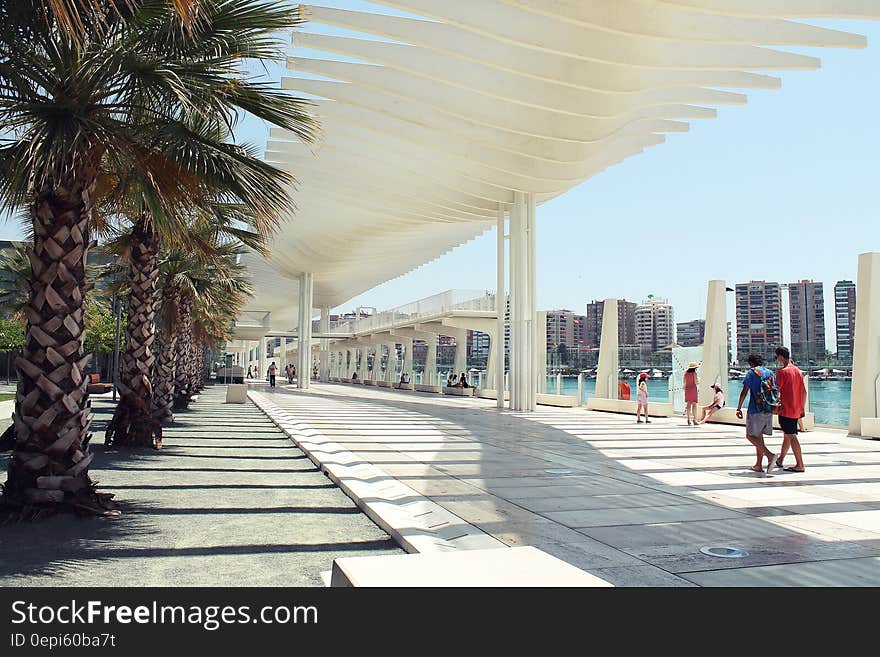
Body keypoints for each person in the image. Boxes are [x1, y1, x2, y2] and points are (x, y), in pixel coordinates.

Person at [735, 354, 777, 473]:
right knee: (759, 437)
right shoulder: (769, 372)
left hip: (756, 409)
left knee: (750, 436)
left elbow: (744, 392)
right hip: (768, 407)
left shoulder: (752, 373)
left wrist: (738, 408)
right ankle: (758, 465)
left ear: (751, 363)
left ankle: (770, 455)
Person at [774, 346, 807, 472]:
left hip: (786, 409)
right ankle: (781, 459)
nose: (777, 360)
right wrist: (802, 408)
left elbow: (777, 391)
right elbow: (804, 391)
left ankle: (800, 464)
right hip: (796, 409)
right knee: (787, 435)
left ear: (781, 357)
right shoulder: (798, 371)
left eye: (777, 357)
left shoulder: (782, 372)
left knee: (791, 435)